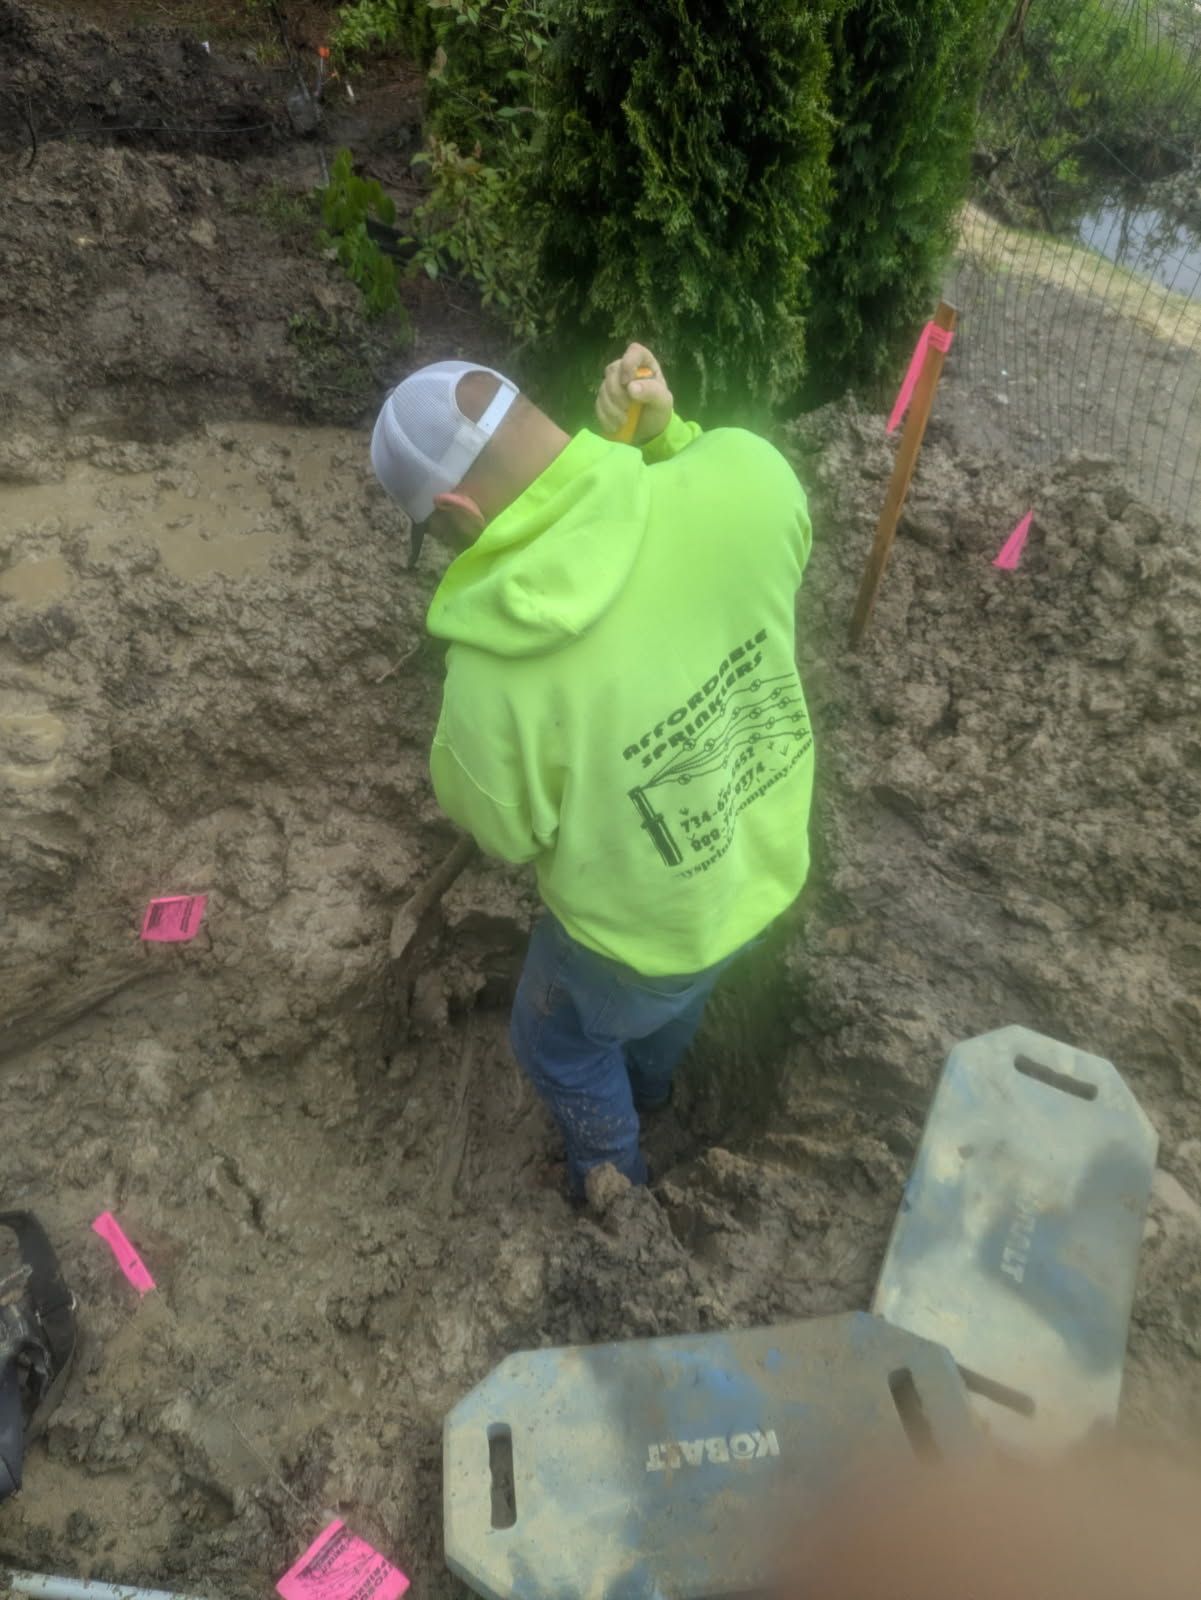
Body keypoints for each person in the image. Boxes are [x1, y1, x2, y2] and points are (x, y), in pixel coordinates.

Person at [370, 345, 814, 1197]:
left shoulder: (491, 680)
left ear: (459, 511)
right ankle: (652, 1086)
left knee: (560, 1043)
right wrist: (664, 440)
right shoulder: (749, 473)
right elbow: (760, 544)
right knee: (673, 1003)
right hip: (760, 865)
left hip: (632, 938)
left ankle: (613, 1179)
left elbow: (505, 832)